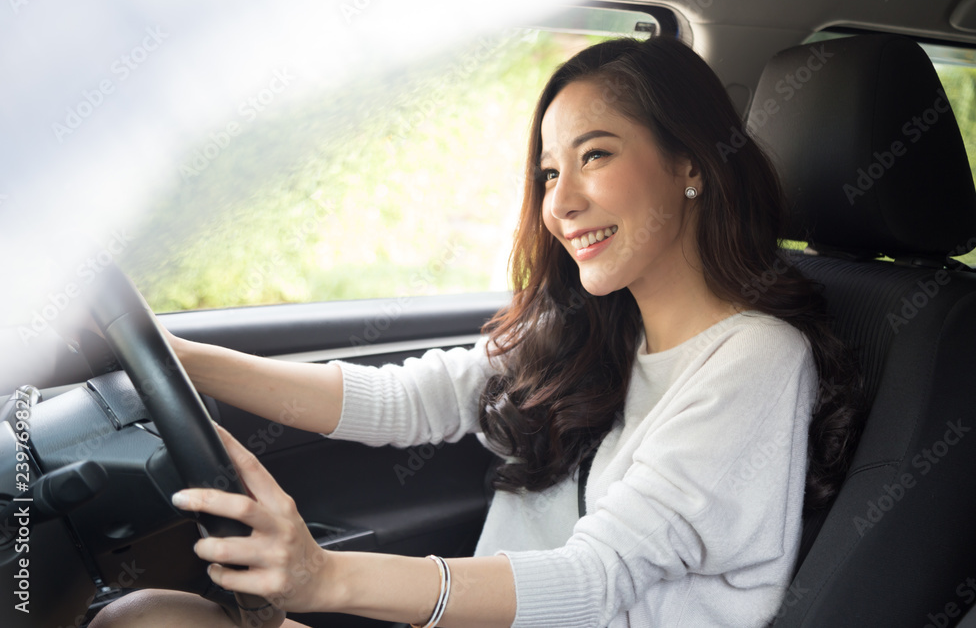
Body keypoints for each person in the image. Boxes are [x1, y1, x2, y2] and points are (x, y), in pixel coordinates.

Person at [91, 35, 864, 628]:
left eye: (595, 155)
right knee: (143, 616)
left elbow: (597, 577)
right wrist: (175, 358)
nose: (560, 204)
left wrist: (327, 578)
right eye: (549, 172)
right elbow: (402, 401)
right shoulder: (596, 324)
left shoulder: (757, 358)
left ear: (691, 165)